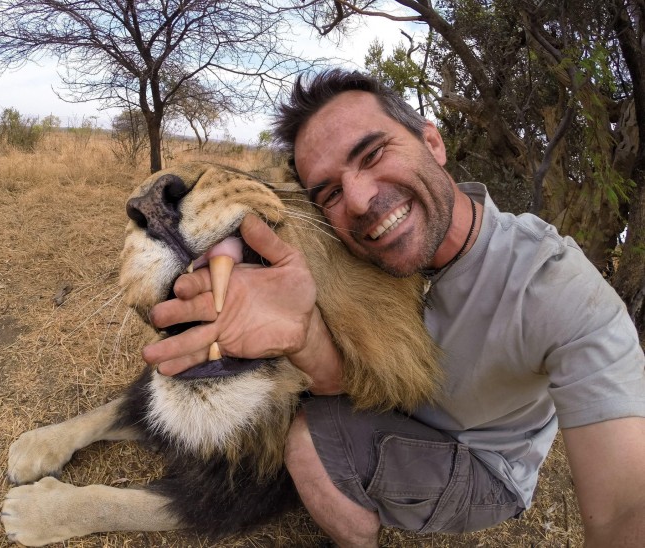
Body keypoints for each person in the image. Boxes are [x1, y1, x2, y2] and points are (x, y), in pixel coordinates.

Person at [141, 69, 645, 547]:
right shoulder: (370, 250)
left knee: (305, 442)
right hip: (405, 418)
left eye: (373, 154)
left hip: (485, 464)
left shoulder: (556, 285)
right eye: (331, 192)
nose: (359, 201)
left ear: (433, 142)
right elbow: (361, 382)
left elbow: (628, 507)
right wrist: (306, 335)